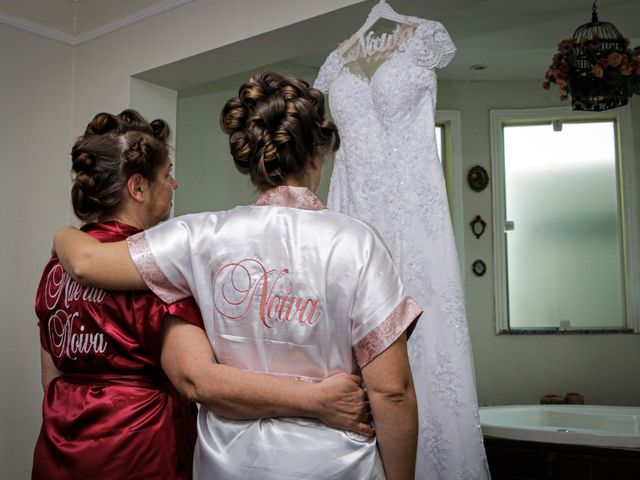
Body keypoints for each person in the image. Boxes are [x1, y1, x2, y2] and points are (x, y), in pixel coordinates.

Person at [54, 72, 421, 479]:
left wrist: (63, 235)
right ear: (316, 156)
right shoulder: (358, 243)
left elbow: (88, 263)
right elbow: (392, 391)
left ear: (251, 163)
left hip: (227, 465)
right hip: (334, 465)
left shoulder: (198, 236)